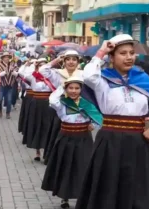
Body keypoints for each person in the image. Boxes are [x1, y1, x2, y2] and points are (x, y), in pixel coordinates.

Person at [75, 34, 149, 209]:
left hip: (139, 142)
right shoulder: (103, 80)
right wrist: (101, 51)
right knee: (107, 188)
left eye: (132, 53)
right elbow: (88, 76)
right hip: (109, 141)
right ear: (112, 57)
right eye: (123, 53)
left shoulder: (143, 80)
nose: (129, 57)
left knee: (137, 190)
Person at [41, 76, 102, 209]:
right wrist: (61, 87)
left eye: (77, 88)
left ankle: (83, 196)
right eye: (71, 88)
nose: (74, 91)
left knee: (83, 167)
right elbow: (52, 100)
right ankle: (65, 197)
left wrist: (93, 125)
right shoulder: (62, 102)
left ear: (81, 89)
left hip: (84, 138)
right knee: (66, 166)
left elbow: (99, 118)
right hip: (66, 138)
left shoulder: (87, 103)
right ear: (66, 89)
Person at [40, 50, 83, 164]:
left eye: (74, 59)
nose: (71, 62)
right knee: (57, 133)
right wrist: (57, 60)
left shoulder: (82, 74)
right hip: (60, 108)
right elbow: (42, 70)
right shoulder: (58, 73)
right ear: (64, 61)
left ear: (78, 62)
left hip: (78, 108)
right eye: (68, 59)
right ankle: (55, 159)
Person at [20, 58, 56, 161]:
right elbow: (23, 74)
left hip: (49, 104)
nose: (41, 68)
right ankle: (37, 151)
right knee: (36, 126)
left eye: (44, 66)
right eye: (40, 66)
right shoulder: (33, 77)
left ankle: (46, 151)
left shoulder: (52, 78)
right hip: (36, 104)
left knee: (47, 127)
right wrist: (32, 65)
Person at [0, 52, 18, 119]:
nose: (7, 58)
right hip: (1, 85)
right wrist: (6, 71)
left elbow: (17, 74)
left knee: (9, 100)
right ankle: (0, 110)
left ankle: (8, 113)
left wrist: (12, 71)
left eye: (8, 57)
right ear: (2, 58)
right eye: (5, 57)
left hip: (10, 85)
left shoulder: (13, 65)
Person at [17, 59, 36, 135]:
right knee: (27, 114)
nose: (32, 64)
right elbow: (20, 72)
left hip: (38, 97)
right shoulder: (28, 73)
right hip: (29, 95)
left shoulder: (42, 73)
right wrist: (25, 65)